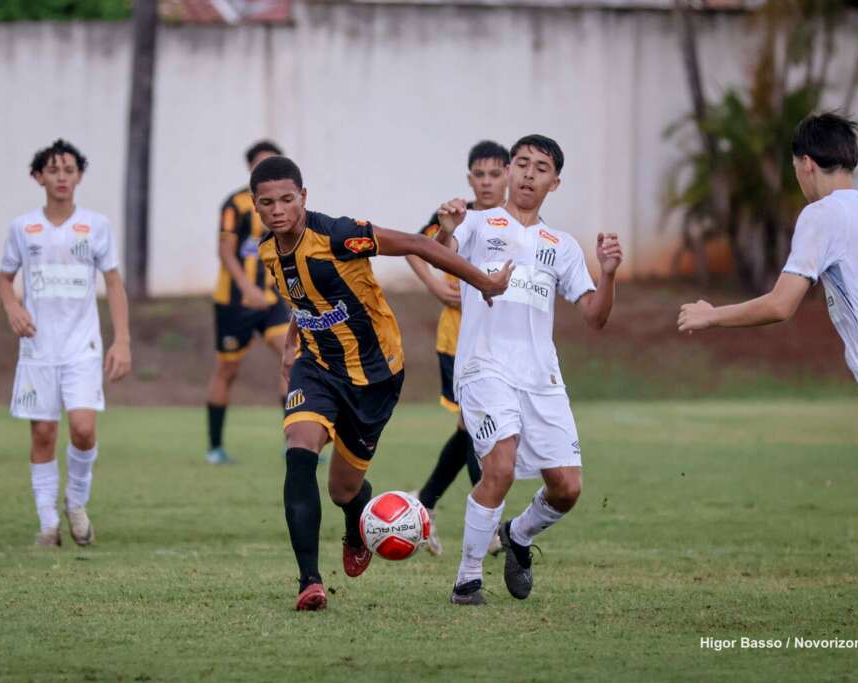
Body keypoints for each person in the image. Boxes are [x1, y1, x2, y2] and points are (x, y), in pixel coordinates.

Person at [253, 156, 513, 610]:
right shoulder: (267, 250)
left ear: (304, 198)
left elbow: (416, 243)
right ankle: (309, 582)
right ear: (256, 206)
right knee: (299, 452)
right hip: (315, 368)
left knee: (343, 490)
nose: (277, 210)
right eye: (267, 202)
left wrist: (483, 283)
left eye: (287, 200)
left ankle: (356, 524)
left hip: (374, 376)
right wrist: (293, 341)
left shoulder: (338, 234)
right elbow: (301, 297)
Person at [678, 112, 858, 543]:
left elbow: (781, 304)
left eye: (796, 170)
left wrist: (712, 314)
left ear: (806, 163)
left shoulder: (821, 215)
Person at [434, 134, 624, 605]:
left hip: (542, 379)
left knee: (567, 488)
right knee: (498, 464)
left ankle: (517, 535)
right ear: (509, 171)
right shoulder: (478, 223)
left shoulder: (561, 245)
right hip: (484, 369)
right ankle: (467, 579)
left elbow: (595, 316)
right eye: (521, 164)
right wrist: (445, 230)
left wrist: (610, 273)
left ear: (554, 182)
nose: (528, 174)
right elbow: (444, 259)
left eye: (540, 168)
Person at [0, 139, 132, 547]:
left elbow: (113, 283)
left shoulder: (96, 226)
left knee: (83, 428)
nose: (61, 177)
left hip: (82, 347)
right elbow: (4, 279)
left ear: (79, 177)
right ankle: (48, 524)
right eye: (53, 170)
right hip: (38, 348)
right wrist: (13, 308)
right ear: (39, 177)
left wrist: (121, 340)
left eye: (69, 170)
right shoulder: (23, 228)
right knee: (42, 434)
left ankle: (76, 501)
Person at [406, 140, 510, 556]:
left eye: (494, 174)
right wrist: (434, 285)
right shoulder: (455, 215)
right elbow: (416, 247)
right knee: (476, 432)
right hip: (458, 341)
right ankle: (492, 526)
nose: (486, 182)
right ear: (470, 178)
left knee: (473, 430)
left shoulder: (515, 221)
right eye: (479, 175)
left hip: (502, 341)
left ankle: (423, 506)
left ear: (508, 176)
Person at [205, 140, 291, 465]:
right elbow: (226, 250)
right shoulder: (236, 204)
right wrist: (246, 288)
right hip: (234, 303)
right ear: (251, 168)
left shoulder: (284, 206)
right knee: (227, 369)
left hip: (270, 300)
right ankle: (215, 447)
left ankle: (294, 442)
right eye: (262, 164)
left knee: (293, 358)